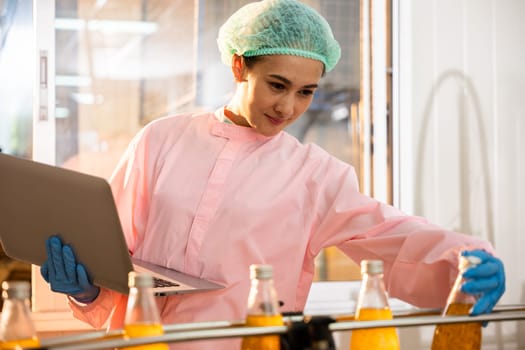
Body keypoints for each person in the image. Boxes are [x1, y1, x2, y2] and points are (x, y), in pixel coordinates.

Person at [41, 0, 505, 348]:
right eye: (277, 85)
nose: (288, 107)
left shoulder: (315, 175)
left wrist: (465, 259)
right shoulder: (160, 141)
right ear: (240, 65)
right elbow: (114, 255)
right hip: (144, 343)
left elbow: (390, 234)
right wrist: (87, 290)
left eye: (306, 92)